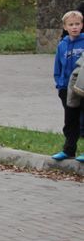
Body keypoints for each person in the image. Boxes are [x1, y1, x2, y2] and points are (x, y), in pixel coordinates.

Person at [51, 10, 84, 162]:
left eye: (77, 24)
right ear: (65, 27)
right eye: (71, 25)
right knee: (70, 120)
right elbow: (57, 66)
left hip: (82, 87)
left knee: (83, 120)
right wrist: (60, 84)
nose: (74, 27)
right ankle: (69, 150)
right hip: (66, 88)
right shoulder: (62, 45)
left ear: (82, 25)